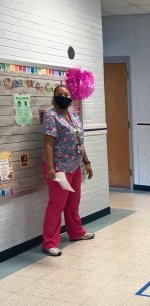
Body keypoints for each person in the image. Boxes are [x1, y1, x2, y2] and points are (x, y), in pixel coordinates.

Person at [42, 85, 94, 256]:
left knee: (73, 203)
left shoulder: (74, 115)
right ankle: (49, 242)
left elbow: (80, 142)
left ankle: (76, 232)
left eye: (66, 94)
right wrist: (50, 167)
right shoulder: (51, 116)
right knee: (56, 205)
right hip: (58, 168)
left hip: (75, 165)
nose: (64, 97)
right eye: (60, 94)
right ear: (54, 97)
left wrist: (87, 162)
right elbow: (48, 143)